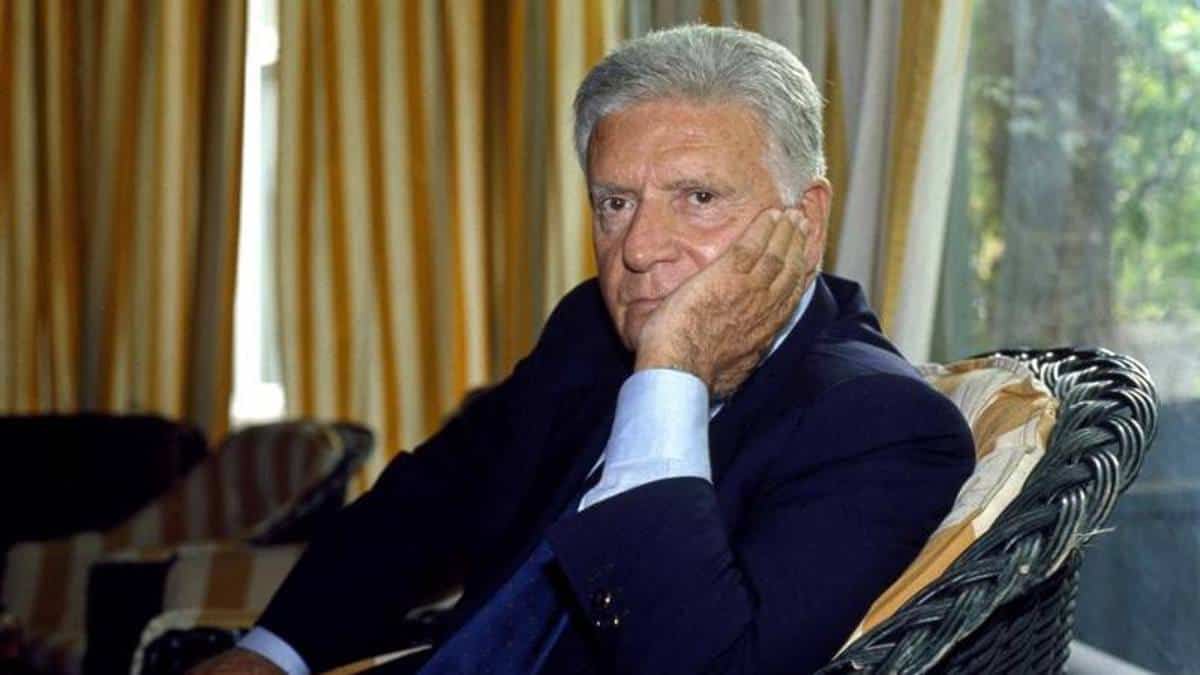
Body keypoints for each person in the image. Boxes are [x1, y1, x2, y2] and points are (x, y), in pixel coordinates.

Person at [195, 25, 974, 675]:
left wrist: (670, 375)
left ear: (806, 219)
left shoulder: (880, 425)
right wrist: (271, 651)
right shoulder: (588, 332)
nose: (638, 247)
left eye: (698, 198)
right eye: (616, 202)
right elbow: (429, 500)